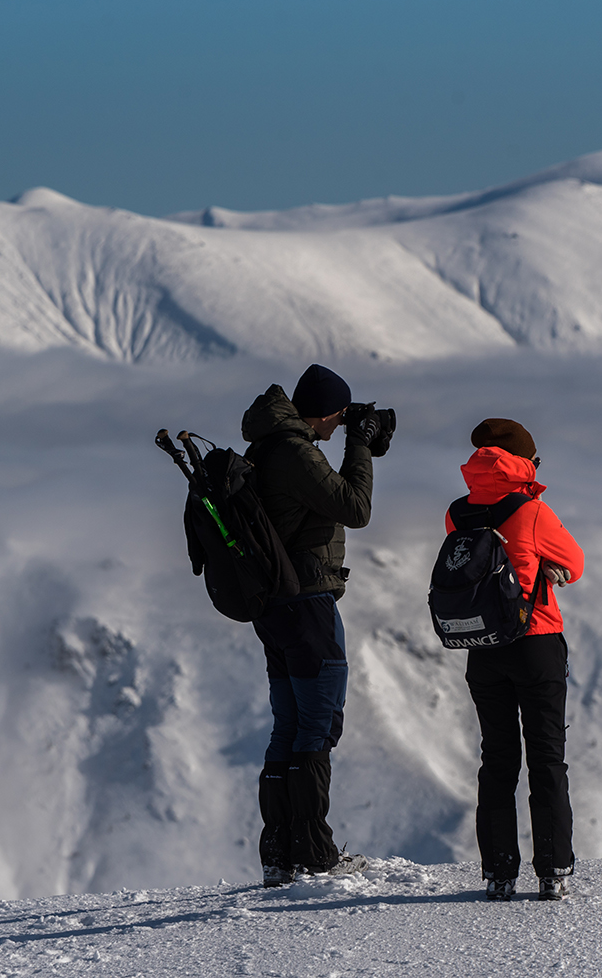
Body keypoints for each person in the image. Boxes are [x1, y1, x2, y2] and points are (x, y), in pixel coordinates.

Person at [241, 364, 385, 887]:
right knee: (317, 725)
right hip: (306, 602)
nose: (339, 426)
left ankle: (280, 853)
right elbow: (356, 507)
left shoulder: (265, 446)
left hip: (275, 606)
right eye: (340, 418)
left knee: (290, 724)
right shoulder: (295, 452)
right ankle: (314, 853)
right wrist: (362, 447)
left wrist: (357, 441)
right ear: (326, 412)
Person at [448, 418, 585, 901]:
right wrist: (544, 565)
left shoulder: (457, 512)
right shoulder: (532, 511)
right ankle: (553, 871)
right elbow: (575, 561)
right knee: (547, 757)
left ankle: (499, 873)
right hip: (535, 642)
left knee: (497, 758)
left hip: (482, 648)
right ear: (524, 462)